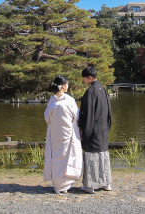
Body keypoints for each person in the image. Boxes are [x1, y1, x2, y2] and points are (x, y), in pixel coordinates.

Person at [43, 75, 83, 194]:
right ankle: (65, 183)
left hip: (55, 134)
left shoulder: (52, 100)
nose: (68, 86)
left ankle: (58, 184)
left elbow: (47, 117)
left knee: (56, 157)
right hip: (68, 134)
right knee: (67, 157)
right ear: (63, 85)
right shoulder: (69, 100)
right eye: (67, 84)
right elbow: (77, 115)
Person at [78, 65, 112, 193]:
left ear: (90, 78)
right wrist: (107, 126)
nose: (83, 81)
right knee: (103, 156)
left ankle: (89, 185)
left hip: (92, 130)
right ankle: (106, 183)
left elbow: (87, 114)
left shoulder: (90, 92)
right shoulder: (103, 89)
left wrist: (84, 131)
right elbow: (109, 111)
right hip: (103, 129)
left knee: (91, 157)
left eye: (84, 79)